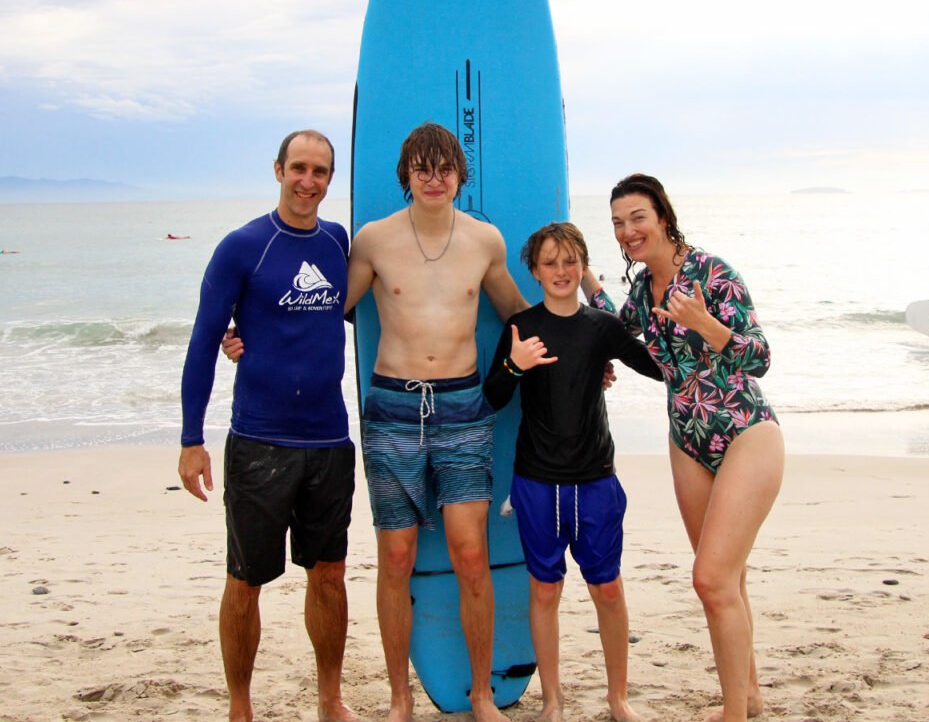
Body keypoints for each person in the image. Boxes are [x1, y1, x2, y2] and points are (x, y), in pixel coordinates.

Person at [344, 122, 528, 722]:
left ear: (459, 174)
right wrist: (248, 336)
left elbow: (520, 316)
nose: (433, 178)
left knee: (470, 554)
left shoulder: (484, 241)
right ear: (406, 175)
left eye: (444, 167)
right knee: (395, 556)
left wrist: (582, 351)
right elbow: (326, 313)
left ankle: (480, 694)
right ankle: (400, 698)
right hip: (392, 408)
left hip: (463, 409)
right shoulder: (373, 240)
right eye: (421, 167)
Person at [582, 173, 782, 722]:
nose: (627, 231)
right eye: (619, 224)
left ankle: (733, 714)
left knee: (710, 579)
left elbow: (760, 357)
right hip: (687, 439)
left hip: (745, 431)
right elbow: (618, 328)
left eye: (637, 218)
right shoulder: (645, 291)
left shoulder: (712, 274)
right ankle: (750, 696)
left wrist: (706, 324)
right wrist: (583, 277)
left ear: (663, 217)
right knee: (728, 577)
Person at [176, 129, 359, 722]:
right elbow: (205, 342)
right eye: (299, 168)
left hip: (330, 439)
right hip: (259, 441)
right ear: (278, 169)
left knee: (329, 575)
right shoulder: (242, 246)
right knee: (245, 580)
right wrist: (190, 440)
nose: (309, 181)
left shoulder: (338, 242)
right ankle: (240, 706)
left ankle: (330, 698)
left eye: (321, 172)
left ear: (331, 180)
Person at [483, 222, 661, 722]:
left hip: (595, 478)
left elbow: (658, 366)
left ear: (582, 266)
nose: (560, 271)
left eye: (570, 261)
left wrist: (697, 332)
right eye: (550, 262)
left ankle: (618, 698)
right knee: (545, 589)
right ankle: (553, 700)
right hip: (537, 480)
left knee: (607, 587)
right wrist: (516, 365)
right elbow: (493, 396)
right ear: (534, 270)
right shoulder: (521, 325)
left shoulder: (601, 327)